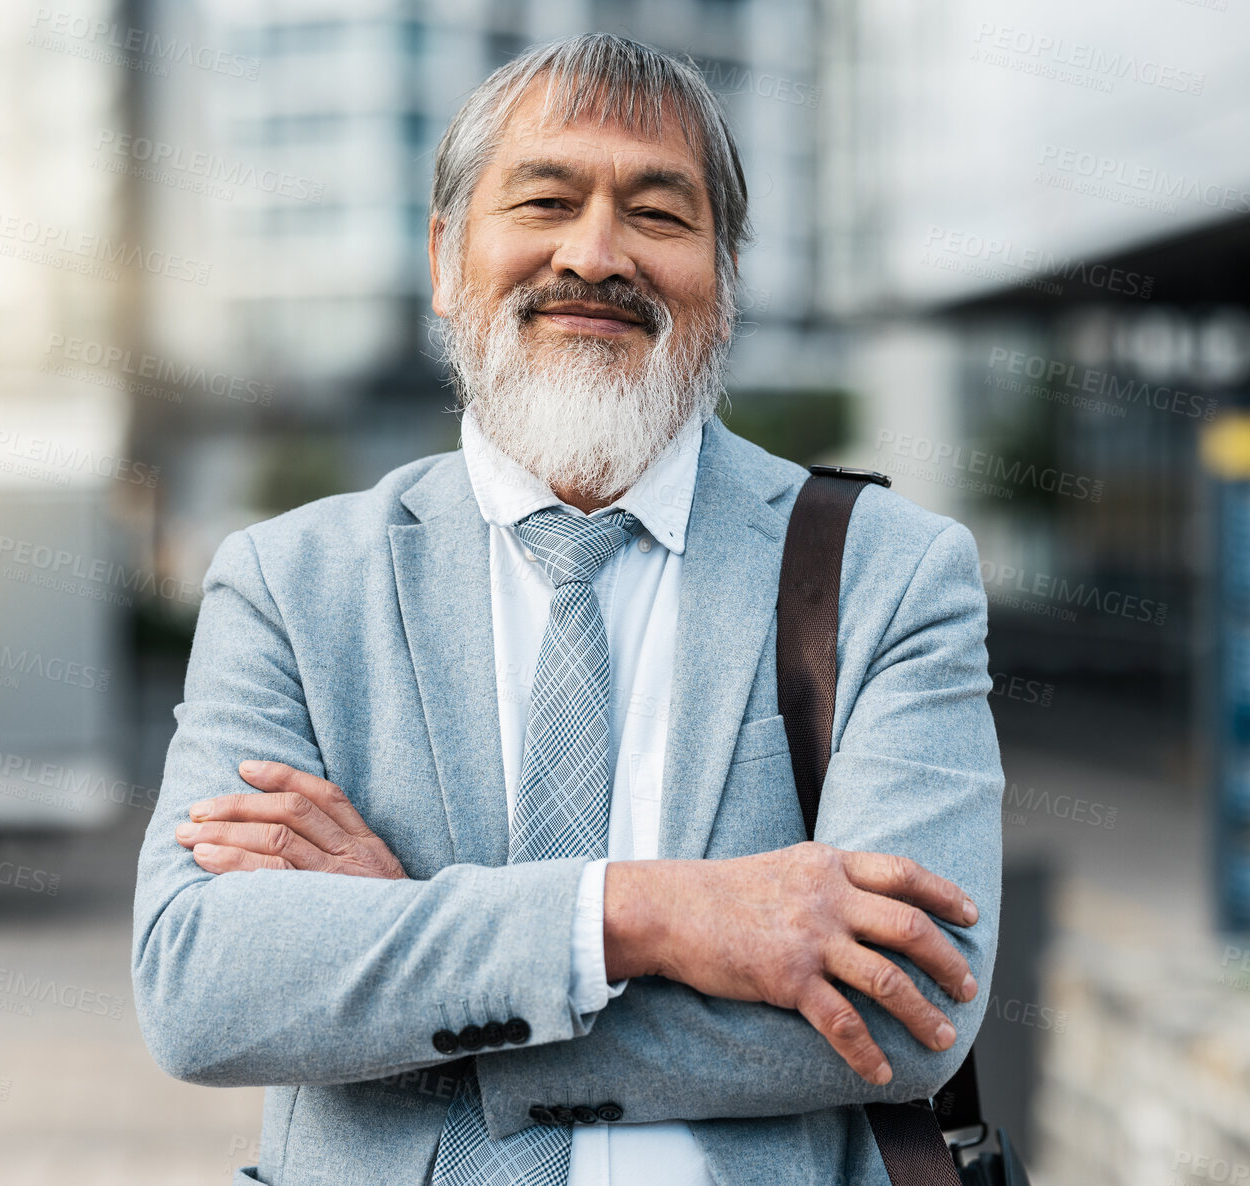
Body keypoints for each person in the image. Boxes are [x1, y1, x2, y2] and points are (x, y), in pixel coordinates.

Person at [132, 32, 1002, 1186]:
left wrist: (408, 962)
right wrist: (646, 916)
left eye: (657, 214)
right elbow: (203, 987)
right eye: (544, 199)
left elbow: (906, 1014)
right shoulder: (290, 583)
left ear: (724, 284)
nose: (595, 255)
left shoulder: (890, 575)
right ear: (447, 259)